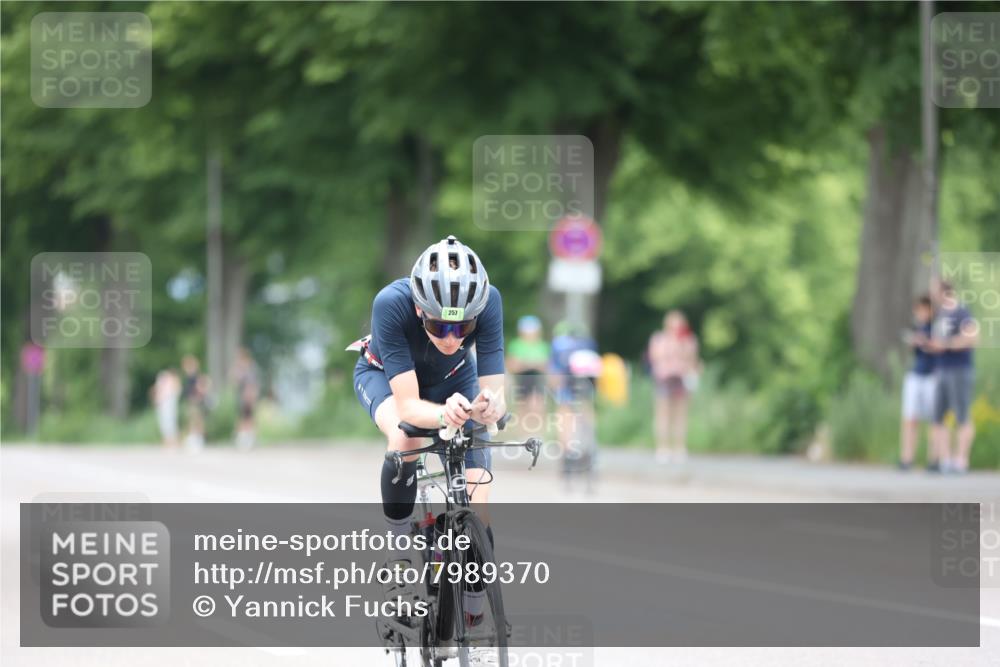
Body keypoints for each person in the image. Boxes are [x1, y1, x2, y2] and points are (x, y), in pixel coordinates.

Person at [351, 234, 505, 623]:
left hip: (453, 382)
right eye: (439, 326)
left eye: (463, 327)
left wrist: (490, 406)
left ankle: (472, 604)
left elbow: (494, 393)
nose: (452, 338)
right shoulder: (391, 303)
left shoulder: (490, 302)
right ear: (420, 311)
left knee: (478, 496)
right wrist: (443, 417)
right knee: (407, 435)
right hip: (385, 377)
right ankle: (399, 549)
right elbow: (408, 406)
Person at [928, 280, 979, 473]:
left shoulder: (961, 312)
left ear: (945, 292)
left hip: (959, 369)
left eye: (935, 291)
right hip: (941, 369)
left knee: (962, 415)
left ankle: (961, 460)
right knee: (938, 417)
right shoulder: (941, 315)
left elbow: (972, 337)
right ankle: (945, 459)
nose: (933, 295)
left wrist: (946, 344)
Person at [647, 310, 701, 464]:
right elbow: (656, 358)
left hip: (681, 379)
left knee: (681, 415)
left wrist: (682, 344)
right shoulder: (659, 339)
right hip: (664, 379)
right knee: (663, 414)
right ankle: (662, 448)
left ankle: (679, 447)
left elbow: (692, 360)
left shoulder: (689, 340)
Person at [548, 320, 598, 461]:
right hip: (586, 381)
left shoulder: (558, 343)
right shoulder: (588, 342)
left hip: (567, 381)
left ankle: (566, 448)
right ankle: (590, 442)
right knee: (586, 408)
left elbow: (555, 369)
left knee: (564, 411)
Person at [898, 295, 937, 470]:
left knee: (934, 419)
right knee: (910, 418)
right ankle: (907, 458)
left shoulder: (937, 327)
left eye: (922, 310)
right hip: (916, 374)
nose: (919, 314)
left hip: (932, 376)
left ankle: (934, 459)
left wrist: (926, 342)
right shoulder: (918, 327)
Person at [506, 315, 550, 436]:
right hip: (522, 380)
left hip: (537, 379)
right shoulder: (516, 345)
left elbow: (546, 365)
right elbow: (512, 365)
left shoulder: (542, 345)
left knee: (537, 406)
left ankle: (538, 434)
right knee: (522, 408)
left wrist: (525, 363)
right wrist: (532, 363)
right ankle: (523, 435)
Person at [231, 347, 260, 450]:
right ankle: (242, 438)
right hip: (241, 396)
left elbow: (253, 383)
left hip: (248, 395)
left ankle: (250, 438)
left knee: (249, 417)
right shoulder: (239, 368)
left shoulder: (251, 368)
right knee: (242, 417)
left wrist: (252, 395)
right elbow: (235, 381)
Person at [180, 354, 210, 452]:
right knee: (194, 419)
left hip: (195, 400)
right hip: (192, 400)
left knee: (196, 419)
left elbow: (201, 387)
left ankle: (198, 438)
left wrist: (198, 396)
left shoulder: (195, 376)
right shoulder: (191, 376)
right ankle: (195, 437)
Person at [151, 369, 181, 448]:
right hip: (163, 405)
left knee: (170, 422)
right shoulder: (164, 382)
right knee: (165, 423)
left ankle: (173, 441)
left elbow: (175, 392)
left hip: (169, 405)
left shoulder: (172, 382)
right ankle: (168, 441)